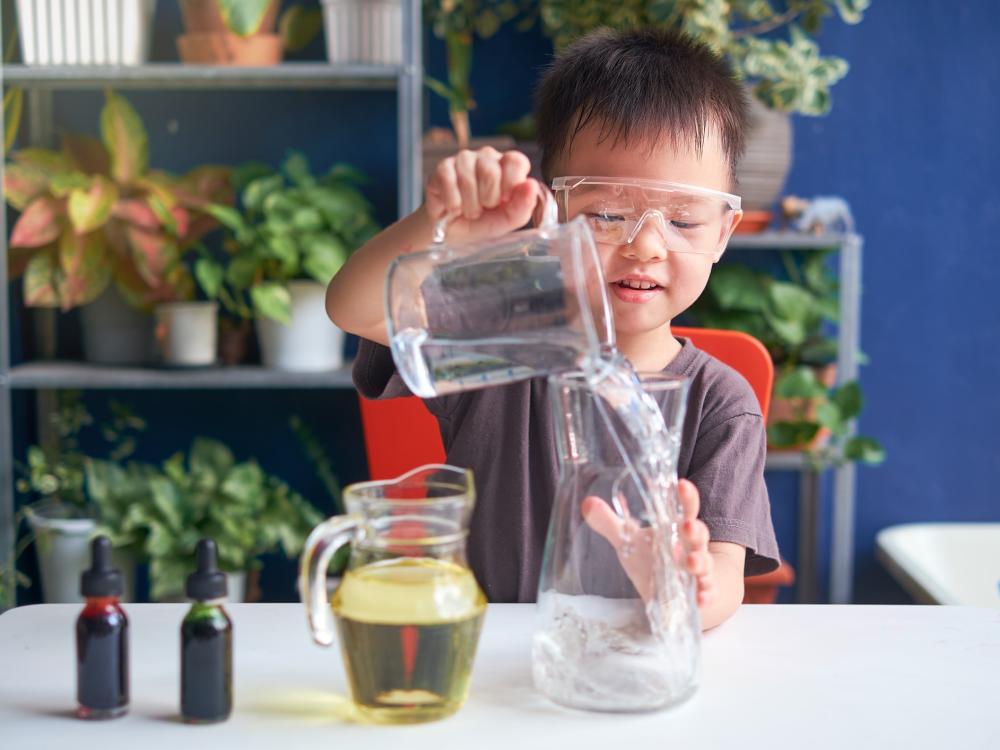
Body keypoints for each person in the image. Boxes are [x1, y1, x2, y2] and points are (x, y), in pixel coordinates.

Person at [327, 27, 780, 629]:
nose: (645, 245)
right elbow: (351, 306)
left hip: (634, 661)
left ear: (723, 232)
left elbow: (722, 575)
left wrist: (686, 583)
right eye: (607, 215)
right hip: (485, 654)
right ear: (554, 212)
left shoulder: (721, 403)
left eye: (682, 220)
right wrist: (439, 232)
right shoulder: (505, 337)